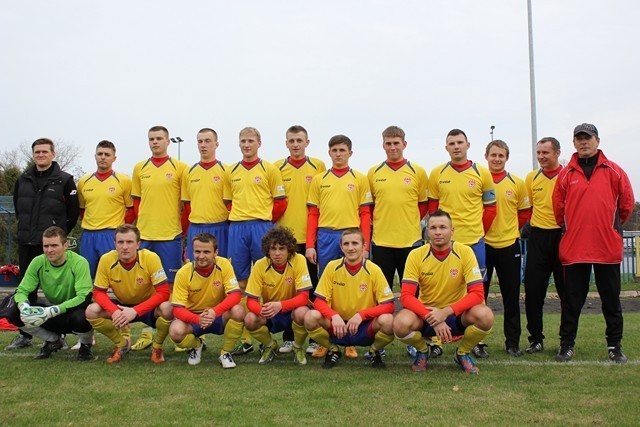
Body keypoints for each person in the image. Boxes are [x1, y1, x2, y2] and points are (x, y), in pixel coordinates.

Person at [553, 123, 635, 363]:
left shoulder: (615, 171)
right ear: (574, 143)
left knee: (611, 301)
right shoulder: (565, 174)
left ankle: (614, 346)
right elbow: (559, 209)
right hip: (575, 248)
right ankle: (566, 345)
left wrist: (608, 228)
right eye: (579, 139)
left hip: (606, 248)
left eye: (587, 138)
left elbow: (626, 205)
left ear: (597, 141)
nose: (583, 142)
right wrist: (572, 230)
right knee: (571, 302)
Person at [393, 210, 494, 374]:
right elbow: (406, 296)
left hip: (456, 315)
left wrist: (446, 312)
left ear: (452, 231)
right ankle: (423, 350)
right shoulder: (416, 255)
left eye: (443, 227)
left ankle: (462, 353)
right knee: (400, 323)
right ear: (427, 231)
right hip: (427, 315)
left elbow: (477, 293)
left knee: (485, 315)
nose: (438, 232)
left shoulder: (465, 252)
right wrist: (433, 317)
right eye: (433, 228)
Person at [428, 129, 496, 358]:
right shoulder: (437, 173)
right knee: (438, 289)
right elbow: (433, 210)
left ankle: (473, 341)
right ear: (446, 147)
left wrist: (478, 232)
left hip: (474, 243)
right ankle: (435, 337)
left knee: (477, 294)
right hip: (444, 245)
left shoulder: (482, 173)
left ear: (468, 145)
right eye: (451, 143)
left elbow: (490, 208)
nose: (456, 147)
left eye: (459, 143)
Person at [8, 138, 80, 351]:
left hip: (51, 245)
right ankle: (25, 335)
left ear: (53, 154)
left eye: (44, 152)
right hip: (26, 243)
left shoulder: (65, 180)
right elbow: (18, 207)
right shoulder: (23, 179)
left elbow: (73, 213)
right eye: (37, 152)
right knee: (26, 290)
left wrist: (57, 237)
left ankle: (62, 334)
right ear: (33, 155)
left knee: (59, 291)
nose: (40, 155)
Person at [306, 135, 373, 359]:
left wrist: (364, 244)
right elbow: (313, 213)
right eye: (334, 150)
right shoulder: (319, 179)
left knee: (352, 288)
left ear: (350, 153)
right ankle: (328, 340)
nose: (338, 154)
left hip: (351, 234)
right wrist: (310, 244)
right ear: (329, 153)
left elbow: (365, 213)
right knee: (329, 288)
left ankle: (349, 342)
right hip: (325, 236)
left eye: (342, 150)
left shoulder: (360, 179)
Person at [224, 127, 287, 356]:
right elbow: (227, 201)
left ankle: (262, 327)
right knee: (239, 281)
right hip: (238, 227)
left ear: (259, 143)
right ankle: (245, 337)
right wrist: (242, 216)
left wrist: (265, 219)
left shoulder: (269, 169)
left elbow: (280, 202)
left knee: (263, 279)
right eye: (243, 141)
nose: (246, 144)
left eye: (250, 140)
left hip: (261, 226)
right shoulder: (231, 171)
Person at [303, 229, 395, 369]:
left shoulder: (374, 269)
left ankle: (374, 350)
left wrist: (361, 315)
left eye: (355, 243)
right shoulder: (332, 267)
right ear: (341, 247)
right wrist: (334, 316)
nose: (350, 248)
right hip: (337, 327)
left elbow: (389, 305)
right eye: (346, 244)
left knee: (388, 321)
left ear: (364, 246)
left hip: (364, 326)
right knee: (310, 317)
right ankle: (333, 349)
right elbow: (319, 302)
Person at [130, 125, 187, 350]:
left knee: (171, 287)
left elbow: (186, 205)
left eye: (159, 138)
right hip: (145, 236)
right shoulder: (139, 168)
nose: (155, 142)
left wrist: (178, 228)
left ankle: (172, 333)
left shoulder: (180, 168)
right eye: (151, 139)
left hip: (170, 235)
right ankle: (146, 332)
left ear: (167, 141)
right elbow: (136, 203)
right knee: (145, 287)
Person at [85, 224, 172, 363]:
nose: (125, 247)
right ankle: (122, 344)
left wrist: (135, 311)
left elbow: (163, 292)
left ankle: (157, 346)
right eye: (121, 242)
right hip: (121, 307)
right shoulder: (106, 259)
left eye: (129, 242)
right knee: (91, 311)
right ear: (115, 244)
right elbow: (99, 293)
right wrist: (114, 311)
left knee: (168, 308)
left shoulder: (150, 258)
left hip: (147, 308)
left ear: (138, 244)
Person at [5, 226, 93, 360]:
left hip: (72, 312)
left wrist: (54, 310)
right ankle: (53, 340)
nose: (49, 250)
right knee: (14, 312)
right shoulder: (38, 262)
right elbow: (22, 290)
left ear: (65, 245)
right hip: (51, 312)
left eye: (54, 245)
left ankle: (86, 346)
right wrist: (24, 306)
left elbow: (84, 297)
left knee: (84, 316)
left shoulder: (79, 263)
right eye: (46, 246)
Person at [274, 125, 326, 355]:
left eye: (299, 140)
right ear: (286, 143)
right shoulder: (276, 168)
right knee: (289, 289)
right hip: (285, 238)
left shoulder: (318, 166)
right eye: (291, 140)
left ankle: (315, 337)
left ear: (307, 142)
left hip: (310, 238)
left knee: (313, 286)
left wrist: (313, 241)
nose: (295, 144)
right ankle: (289, 336)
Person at [169, 232, 245, 368]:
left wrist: (214, 312)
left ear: (216, 252)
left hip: (218, 314)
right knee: (175, 331)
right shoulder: (183, 273)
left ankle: (225, 352)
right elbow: (178, 309)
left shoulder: (224, 265)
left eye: (206, 252)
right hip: (194, 317)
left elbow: (235, 295)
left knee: (238, 311)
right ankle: (197, 345)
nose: (201, 256)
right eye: (197, 251)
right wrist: (197, 319)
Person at [483, 140, 531, 357]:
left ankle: (512, 342)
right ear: (486, 156)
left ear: (506, 158)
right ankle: (477, 342)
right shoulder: (480, 180)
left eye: (501, 156)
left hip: (509, 245)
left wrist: (510, 230)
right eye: (493, 155)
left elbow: (524, 213)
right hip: (483, 245)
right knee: (478, 298)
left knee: (510, 297)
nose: (497, 159)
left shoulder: (517, 183)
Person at [368, 126, 428, 290]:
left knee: (412, 293)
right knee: (382, 293)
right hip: (381, 242)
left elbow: (423, 205)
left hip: (410, 242)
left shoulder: (418, 172)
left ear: (404, 144)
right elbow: (371, 206)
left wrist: (409, 220)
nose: (392, 147)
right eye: (388, 143)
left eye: (396, 143)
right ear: (383, 145)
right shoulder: (373, 172)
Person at [244, 227, 313, 365]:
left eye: (282, 248)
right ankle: (270, 345)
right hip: (271, 311)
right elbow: (251, 300)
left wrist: (281, 305)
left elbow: (304, 297)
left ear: (289, 249)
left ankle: (298, 347)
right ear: (267, 250)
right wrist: (261, 311)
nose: (277, 253)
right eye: (273, 249)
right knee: (250, 319)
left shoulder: (299, 260)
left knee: (303, 313)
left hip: (292, 309)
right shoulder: (260, 265)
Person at [523, 137, 565, 354]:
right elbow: (529, 208)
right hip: (538, 239)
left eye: (545, 153)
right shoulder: (531, 178)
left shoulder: (567, 176)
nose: (541, 157)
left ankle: (566, 341)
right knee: (533, 293)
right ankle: (535, 339)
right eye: (538, 152)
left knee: (566, 293)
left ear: (557, 153)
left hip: (563, 237)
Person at [78, 140, 134, 278]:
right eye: (100, 154)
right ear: (95, 156)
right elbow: (82, 210)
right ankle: (87, 299)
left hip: (111, 234)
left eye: (107, 154)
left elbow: (131, 210)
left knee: (113, 275)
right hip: (88, 235)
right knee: (87, 275)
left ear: (114, 158)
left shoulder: (124, 181)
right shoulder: (83, 182)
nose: (103, 157)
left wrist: (121, 230)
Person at [182, 128, 230, 261]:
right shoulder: (189, 171)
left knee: (220, 268)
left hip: (220, 227)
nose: (203, 145)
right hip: (196, 228)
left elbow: (231, 203)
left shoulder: (226, 170)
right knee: (194, 269)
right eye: (200, 141)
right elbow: (187, 204)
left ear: (216, 144)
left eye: (207, 141)